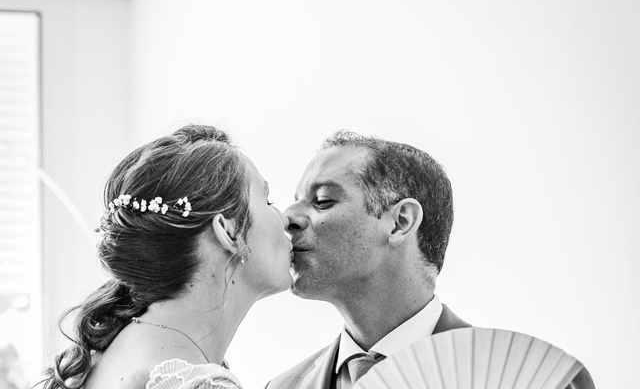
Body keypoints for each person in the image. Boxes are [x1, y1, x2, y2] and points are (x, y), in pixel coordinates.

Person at [267, 131, 594, 389]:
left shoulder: (531, 378)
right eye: (296, 200)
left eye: (322, 200)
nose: (287, 216)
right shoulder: (279, 387)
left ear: (400, 222)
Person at [39, 125, 292, 389]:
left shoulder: (114, 352)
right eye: (268, 201)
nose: (285, 218)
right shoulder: (194, 382)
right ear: (228, 230)